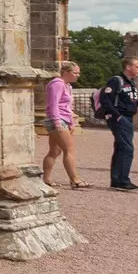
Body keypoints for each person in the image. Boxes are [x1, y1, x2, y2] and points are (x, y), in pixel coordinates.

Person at [99, 56, 138, 191]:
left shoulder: (131, 82)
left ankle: (117, 180)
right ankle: (123, 180)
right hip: (120, 118)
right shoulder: (116, 80)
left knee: (121, 148)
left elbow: (125, 99)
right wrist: (117, 116)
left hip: (127, 117)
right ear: (128, 67)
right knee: (127, 148)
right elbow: (105, 99)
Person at [41, 60, 87, 189]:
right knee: (69, 150)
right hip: (57, 120)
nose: (78, 75)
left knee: (55, 151)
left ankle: (46, 179)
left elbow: (67, 106)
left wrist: (71, 121)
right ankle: (75, 180)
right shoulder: (57, 84)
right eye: (75, 73)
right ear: (66, 72)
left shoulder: (66, 86)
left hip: (62, 119)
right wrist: (57, 122)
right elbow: (53, 104)